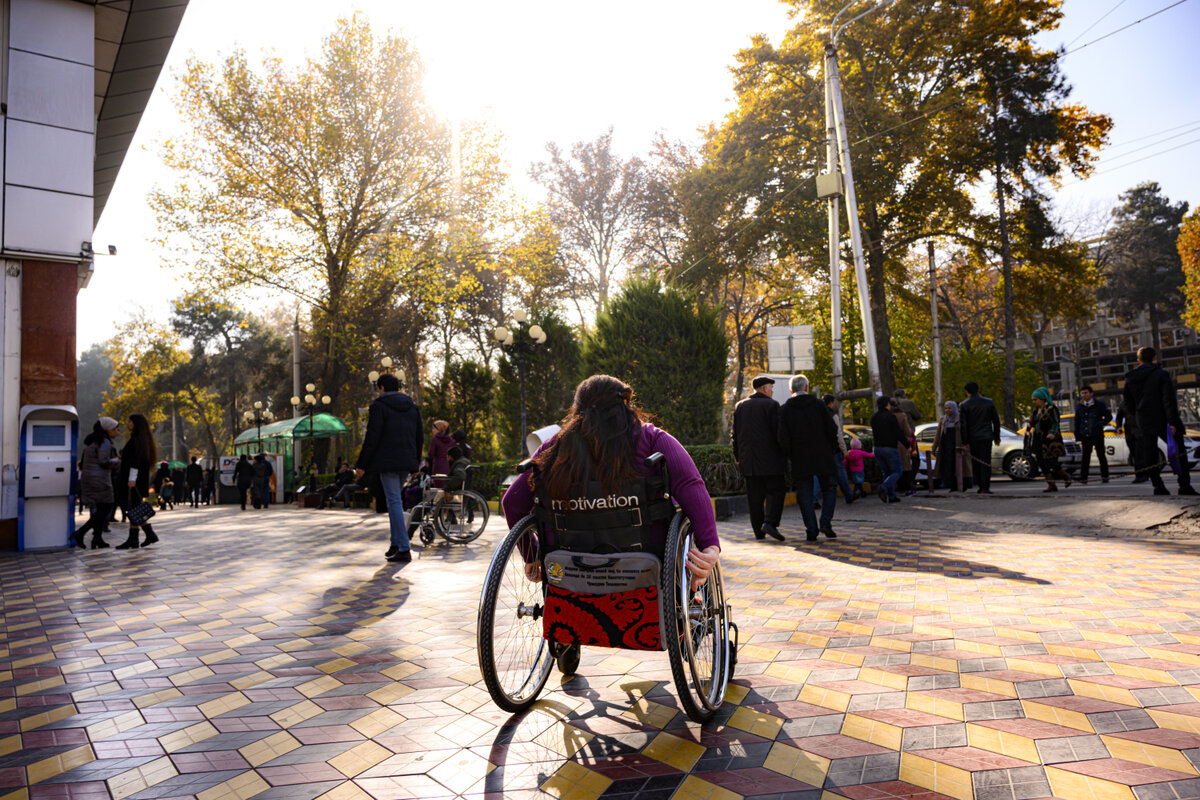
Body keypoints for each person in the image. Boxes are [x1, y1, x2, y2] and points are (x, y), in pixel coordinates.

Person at [502, 374, 720, 591]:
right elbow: (690, 485)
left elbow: (512, 503)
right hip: (648, 569)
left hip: (570, 573)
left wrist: (532, 554)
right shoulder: (652, 439)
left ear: (577, 410)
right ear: (625, 404)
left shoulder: (554, 448)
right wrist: (709, 546)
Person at [355, 372, 423, 562]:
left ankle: (403, 547)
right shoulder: (412, 406)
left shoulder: (379, 406)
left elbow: (372, 437)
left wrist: (362, 464)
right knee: (395, 500)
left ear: (382, 388)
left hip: (387, 461)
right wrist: (416, 461)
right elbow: (419, 435)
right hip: (406, 461)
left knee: (393, 502)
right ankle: (395, 543)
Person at [778, 376, 839, 541]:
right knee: (829, 488)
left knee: (804, 493)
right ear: (806, 388)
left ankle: (811, 529)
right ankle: (825, 522)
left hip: (800, 458)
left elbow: (783, 438)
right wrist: (831, 448)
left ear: (791, 391)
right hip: (823, 455)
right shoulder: (819, 405)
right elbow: (832, 428)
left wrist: (791, 454)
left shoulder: (784, 410)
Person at [732, 375, 786, 541]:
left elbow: (735, 434)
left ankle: (758, 531)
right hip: (771, 461)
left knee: (754, 497)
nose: (772, 390)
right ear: (764, 388)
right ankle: (770, 522)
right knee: (776, 491)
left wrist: (738, 457)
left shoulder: (740, 406)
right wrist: (785, 452)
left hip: (749, 462)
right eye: (771, 387)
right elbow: (779, 433)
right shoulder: (772, 405)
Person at [1124, 346, 1184, 496]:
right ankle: (1184, 484)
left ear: (1138, 360)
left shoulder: (1131, 378)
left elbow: (1128, 403)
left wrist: (1138, 416)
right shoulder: (1161, 374)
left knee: (1149, 454)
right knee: (1179, 450)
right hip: (1163, 418)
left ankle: (1158, 486)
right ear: (1155, 358)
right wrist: (1172, 422)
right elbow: (1168, 400)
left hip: (1143, 420)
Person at [71, 417, 122, 549]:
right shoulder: (104, 442)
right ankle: (80, 533)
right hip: (100, 481)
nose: (118, 431)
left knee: (100, 509)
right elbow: (104, 462)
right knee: (106, 508)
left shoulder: (94, 442)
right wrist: (118, 460)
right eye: (116, 428)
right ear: (108, 429)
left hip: (91, 480)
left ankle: (97, 539)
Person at [115, 414, 160, 549]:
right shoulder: (143, 440)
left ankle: (135, 539)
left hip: (133, 480)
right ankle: (148, 534)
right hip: (138, 479)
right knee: (134, 508)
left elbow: (134, 462)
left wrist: (131, 479)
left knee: (133, 507)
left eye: (130, 421)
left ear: (136, 424)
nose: (128, 423)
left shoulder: (136, 440)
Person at [959, 381, 1002, 494]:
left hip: (973, 438)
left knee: (976, 463)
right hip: (986, 436)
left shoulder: (964, 405)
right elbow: (996, 421)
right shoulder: (989, 402)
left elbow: (963, 426)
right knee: (986, 462)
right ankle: (985, 487)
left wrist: (965, 441)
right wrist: (996, 436)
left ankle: (980, 485)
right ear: (978, 389)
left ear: (966, 391)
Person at [1029, 387, 1072, 492]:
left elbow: (1055, 423)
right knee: (1041, 461)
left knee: (1052, 461)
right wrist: (1030, 423)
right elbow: (1033, 423)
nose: (1034, 402)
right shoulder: (1035, 410)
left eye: (1036, 399)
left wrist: (1052, 433)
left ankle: (1066, 476)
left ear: (1042, 399)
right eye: (1033, 400)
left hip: (1050, 440)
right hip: (1038, 439)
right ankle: (1051, 484)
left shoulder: (1051, 408)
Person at [1074, 385, 1112, 484]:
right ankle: (1083, 477)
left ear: (1091, 393)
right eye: (1082, 393)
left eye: (1086, 393)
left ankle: (1105, 476)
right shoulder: (1079, 406)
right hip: (1085, 434)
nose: (1084, 395)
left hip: (1097, 434)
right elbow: (1077, 421)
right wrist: (1077, 435)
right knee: (1085, 456)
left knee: (1101, 455)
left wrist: (1100, 424)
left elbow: (1108, 416)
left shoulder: (1099, 404)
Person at [870, 395, 905, 503]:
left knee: (886, 472)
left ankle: (891, 496)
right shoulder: (890, 417)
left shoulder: (873, 417)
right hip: (890, 448)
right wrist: (907, 445)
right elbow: (898, 433)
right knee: (897, 471)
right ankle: (884, 487)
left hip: (877, 448)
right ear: (887, 404)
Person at [932, 401, 969, 492]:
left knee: (959, 466)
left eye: (949, 408)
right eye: (946, 408)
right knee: (948, 467)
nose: (947, 410)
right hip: (946, 447)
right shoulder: (943, 419)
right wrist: (934, 447)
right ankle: (951, 485)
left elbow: (965, 431)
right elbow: (938, 435)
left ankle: (961, 485)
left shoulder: (960, 418)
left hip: (957, 446)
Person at [824, 395, 854, 505]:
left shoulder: (818, 414)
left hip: (822, 450)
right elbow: (839, 434)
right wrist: (844, 450)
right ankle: (848, 495)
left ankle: (815, 499)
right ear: (831, 403)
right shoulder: (833, 416)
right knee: (840, 472)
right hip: (834, 449)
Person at [889, 397, 918, 494]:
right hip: (902, 443)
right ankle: (907, 486)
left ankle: (898, 486)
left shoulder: (888, 415)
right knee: (906, 465)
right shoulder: (902, 415)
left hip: (890, 443)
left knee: (894, 465)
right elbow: (907, 431)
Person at [428, 420, 454, 484]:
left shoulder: (435, 439)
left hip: (438, 467)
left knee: (438, 489)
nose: (432, 430)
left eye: (434, 428)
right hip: (449, 468)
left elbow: (431, 454)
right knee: (447, 489)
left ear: (439, 429)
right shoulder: (451, 440)